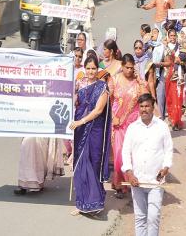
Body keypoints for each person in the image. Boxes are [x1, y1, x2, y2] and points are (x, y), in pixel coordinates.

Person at [122, 93, 173, 236]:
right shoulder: (132, 128)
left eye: (147, 106)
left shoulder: (162, 126)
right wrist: (129, 173)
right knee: (140, 217)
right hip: (137, 181)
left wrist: (166, 168)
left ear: (152, 107)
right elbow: (126, 153)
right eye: (142, 106)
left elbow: (168, 150)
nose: (144, 109)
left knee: (153, 217)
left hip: (156, 182)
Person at [69, 56, 111, 215]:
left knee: (93, 163)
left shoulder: (102, 87)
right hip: (80, 129)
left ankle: (96, 202)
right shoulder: (79, 84)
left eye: (94, 68)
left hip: (95, 130)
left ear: (97, 69)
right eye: (89, 68)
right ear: (84, 69)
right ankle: (82, 204)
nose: (91, 71)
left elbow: (98, 110)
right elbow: (75, 103)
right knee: (80, 164)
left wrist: (81, 122)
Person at [109, 54, 147, 199]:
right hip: (117, 123)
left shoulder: (138, 83)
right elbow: (107, 100)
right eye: (127, 67)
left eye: (132, 68)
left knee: (132, 156)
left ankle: (130, 183)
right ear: (122, 66)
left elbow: (146, 98)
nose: (129, 70)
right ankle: (119, 185)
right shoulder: (115, 79)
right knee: (119, 155)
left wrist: (139, 79)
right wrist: (113, 117)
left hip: (133, 125)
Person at [165, 29, 184, 131]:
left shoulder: (180, 47)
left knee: (177, 98)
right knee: (170, 98)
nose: (172, 37)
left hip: (178, 76)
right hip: (168, 76)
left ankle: (176, 121)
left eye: (174, 35)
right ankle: (171, 119)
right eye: (171, 35)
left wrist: (180, 60)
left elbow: (185, 58)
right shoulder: (165, 48)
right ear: (168, 36)